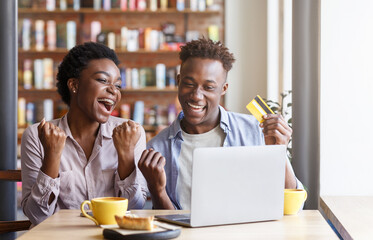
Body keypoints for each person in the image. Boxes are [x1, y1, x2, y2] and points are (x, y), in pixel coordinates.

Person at [138, 38, 303, 210]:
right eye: (188, 84)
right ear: (178, 81)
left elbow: (293, 208)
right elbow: (168, 223)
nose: (196, 95)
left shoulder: (255, 131)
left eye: (208, 87)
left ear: (223, 89)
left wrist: (278, 152)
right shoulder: (157, 148)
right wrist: (157, 190)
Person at [21, 42, 147, 225]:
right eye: (103, 80)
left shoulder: (131, 133)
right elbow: (37, 216)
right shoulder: (38, 136)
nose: (114, 91)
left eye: (118, 85)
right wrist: (52, 156)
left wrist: (126, 155)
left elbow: (135, 209)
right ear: (74, 84)